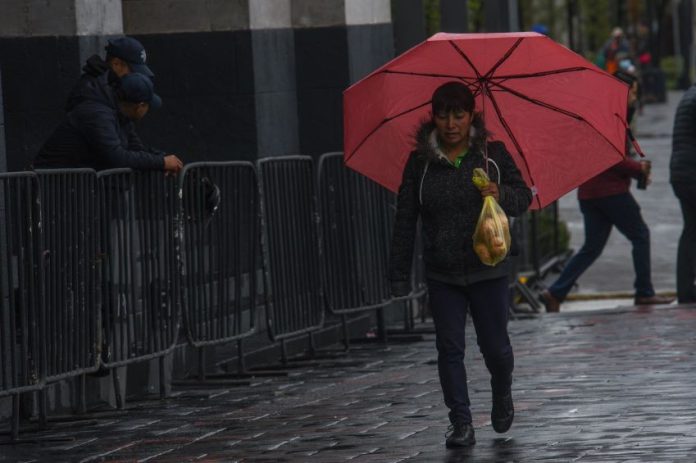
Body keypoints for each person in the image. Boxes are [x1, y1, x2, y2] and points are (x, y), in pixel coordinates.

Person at [389, 82, 532, 448]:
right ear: (433, 116)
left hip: (488, 267)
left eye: (459, 115)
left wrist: (501, 193)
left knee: (495, 348)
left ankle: (502, 390)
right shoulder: (419, 163)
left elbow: (522, 199)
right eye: (443, 115)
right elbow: (406, 218)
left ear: (471, 116)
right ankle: (461, 421)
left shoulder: (491, 155)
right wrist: (398, 274)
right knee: (449, 347)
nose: (451, 124)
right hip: (442, 272)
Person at [541, 71, 673, 312]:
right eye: (631, 91)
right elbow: (610, 158)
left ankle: (555, 292)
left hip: (591, 193)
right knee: (640, 235)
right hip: (608, 191)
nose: (634, 95)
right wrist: (637, 168)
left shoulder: (604, 115)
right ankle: (644, 292)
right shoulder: (608, 117)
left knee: (592, 247)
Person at [33, 72, 182, 172]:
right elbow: (117, 157)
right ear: (139, 106)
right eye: (148, 106)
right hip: (51, 188)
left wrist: (161, 161)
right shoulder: (98, 114)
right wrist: (161, 162)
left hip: (69, 187)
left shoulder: (121, 116)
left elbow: (135, 150)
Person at [66, 36, 154, 112]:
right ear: (116, 64)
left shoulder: (113, 86)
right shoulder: (91, 90)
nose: (136, 78)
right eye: (133, 71)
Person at [670, 84, 696, 303]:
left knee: (691, 231)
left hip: (681, 173)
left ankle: (686, 290)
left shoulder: (689, 95)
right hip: (691, 172)